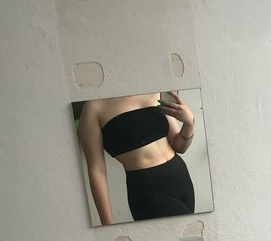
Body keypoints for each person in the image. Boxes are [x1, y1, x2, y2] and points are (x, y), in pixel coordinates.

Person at [78, 91, 196, 225]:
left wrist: (189, 123)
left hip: (181, 177)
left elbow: (179, 146)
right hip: (147, 188)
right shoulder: (94, 107)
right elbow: (97, 170)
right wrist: (107, 225)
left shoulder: (156, 92)